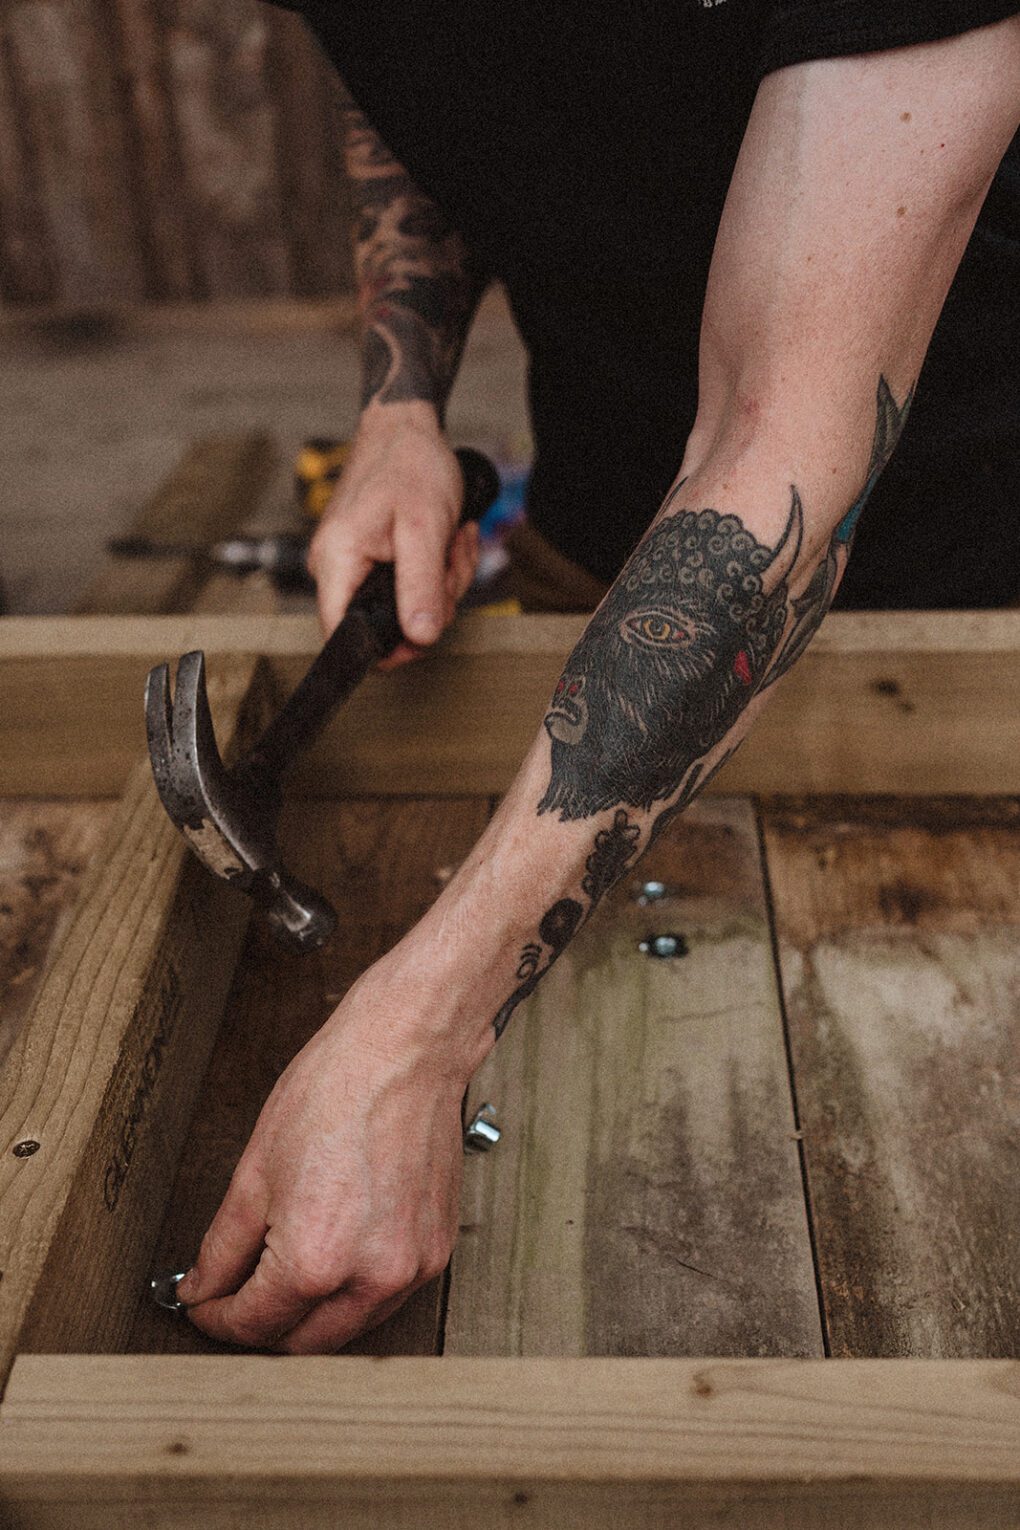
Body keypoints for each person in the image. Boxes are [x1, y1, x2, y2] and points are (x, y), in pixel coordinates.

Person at [176, 5, 1020, 1353]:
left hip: (962, 624)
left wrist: (416, 1034)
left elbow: (776, 458)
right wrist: (401, 406)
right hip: (596, 546)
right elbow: (422, 71)